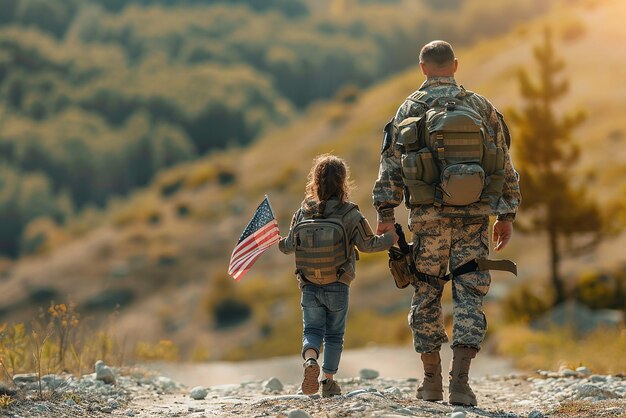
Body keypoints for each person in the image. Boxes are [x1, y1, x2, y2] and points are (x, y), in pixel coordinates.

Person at [372, 40, 521, 406]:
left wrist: (386, 215)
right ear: (454, 65)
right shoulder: (481, 107)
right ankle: (462, 384)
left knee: (426, 292)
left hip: (428, 218)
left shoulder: (410, 107)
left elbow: (391, 168)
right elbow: (503, 163)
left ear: (423, 68)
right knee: (470, 293)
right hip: (474, 215)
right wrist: (506, 214)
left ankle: (431, 382)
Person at [280, 154, 398, 397]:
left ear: (315, 182)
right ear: (343, 182)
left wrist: (278, 240)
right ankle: (328, 382)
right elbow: (368, 245)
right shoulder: (349, 213)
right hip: (338, 283)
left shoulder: (303, 212)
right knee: (334, 334)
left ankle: (310, 360)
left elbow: (288, 246)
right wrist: (391, 238)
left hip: (308, 284)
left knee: (312, 330)